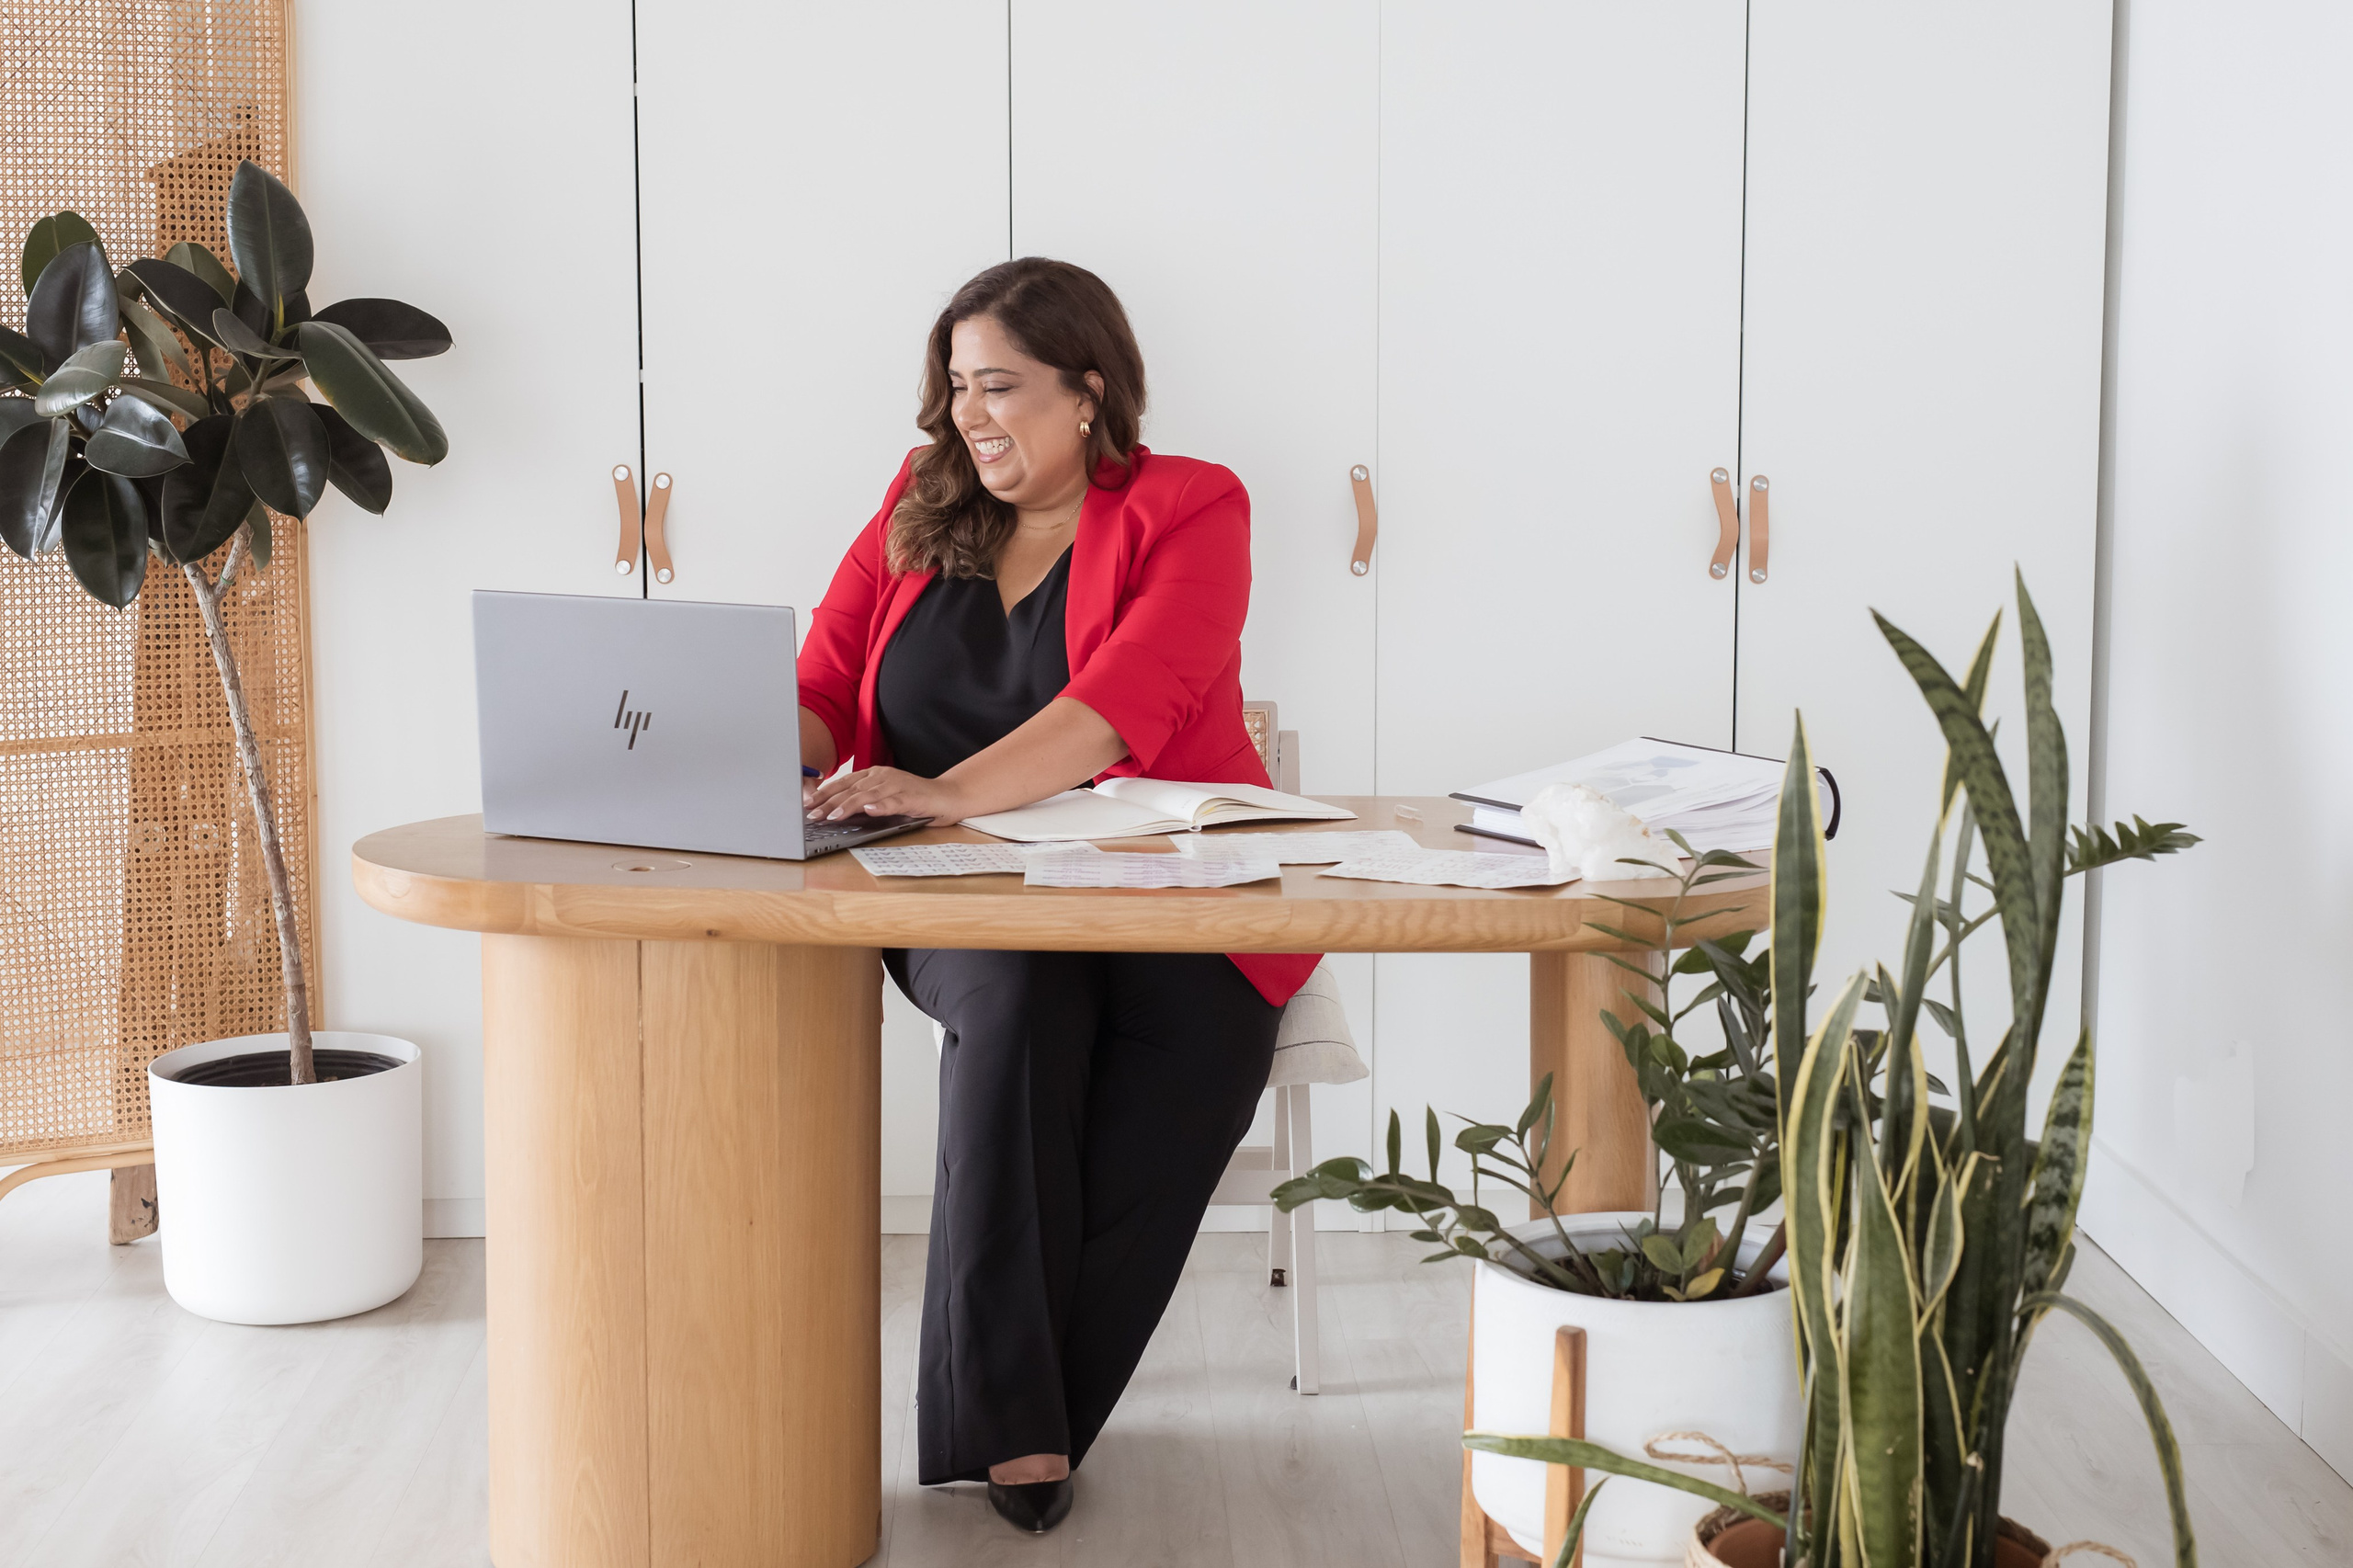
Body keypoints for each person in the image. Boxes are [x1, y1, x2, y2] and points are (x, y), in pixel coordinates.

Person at [796, 257, 1316, 1534]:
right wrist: (762, 754)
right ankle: (1021, 1436)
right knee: (1019, 1001)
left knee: (1188, 1057)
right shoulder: (919, 508)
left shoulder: (1193, 508)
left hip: (1167, 895)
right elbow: (819, 684)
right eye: (960, 386)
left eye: (1004, 387)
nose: (974, 415)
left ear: (1087, 391)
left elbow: (1119, 707)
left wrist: (939, 787)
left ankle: (1015, 1403)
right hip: (959, 895)